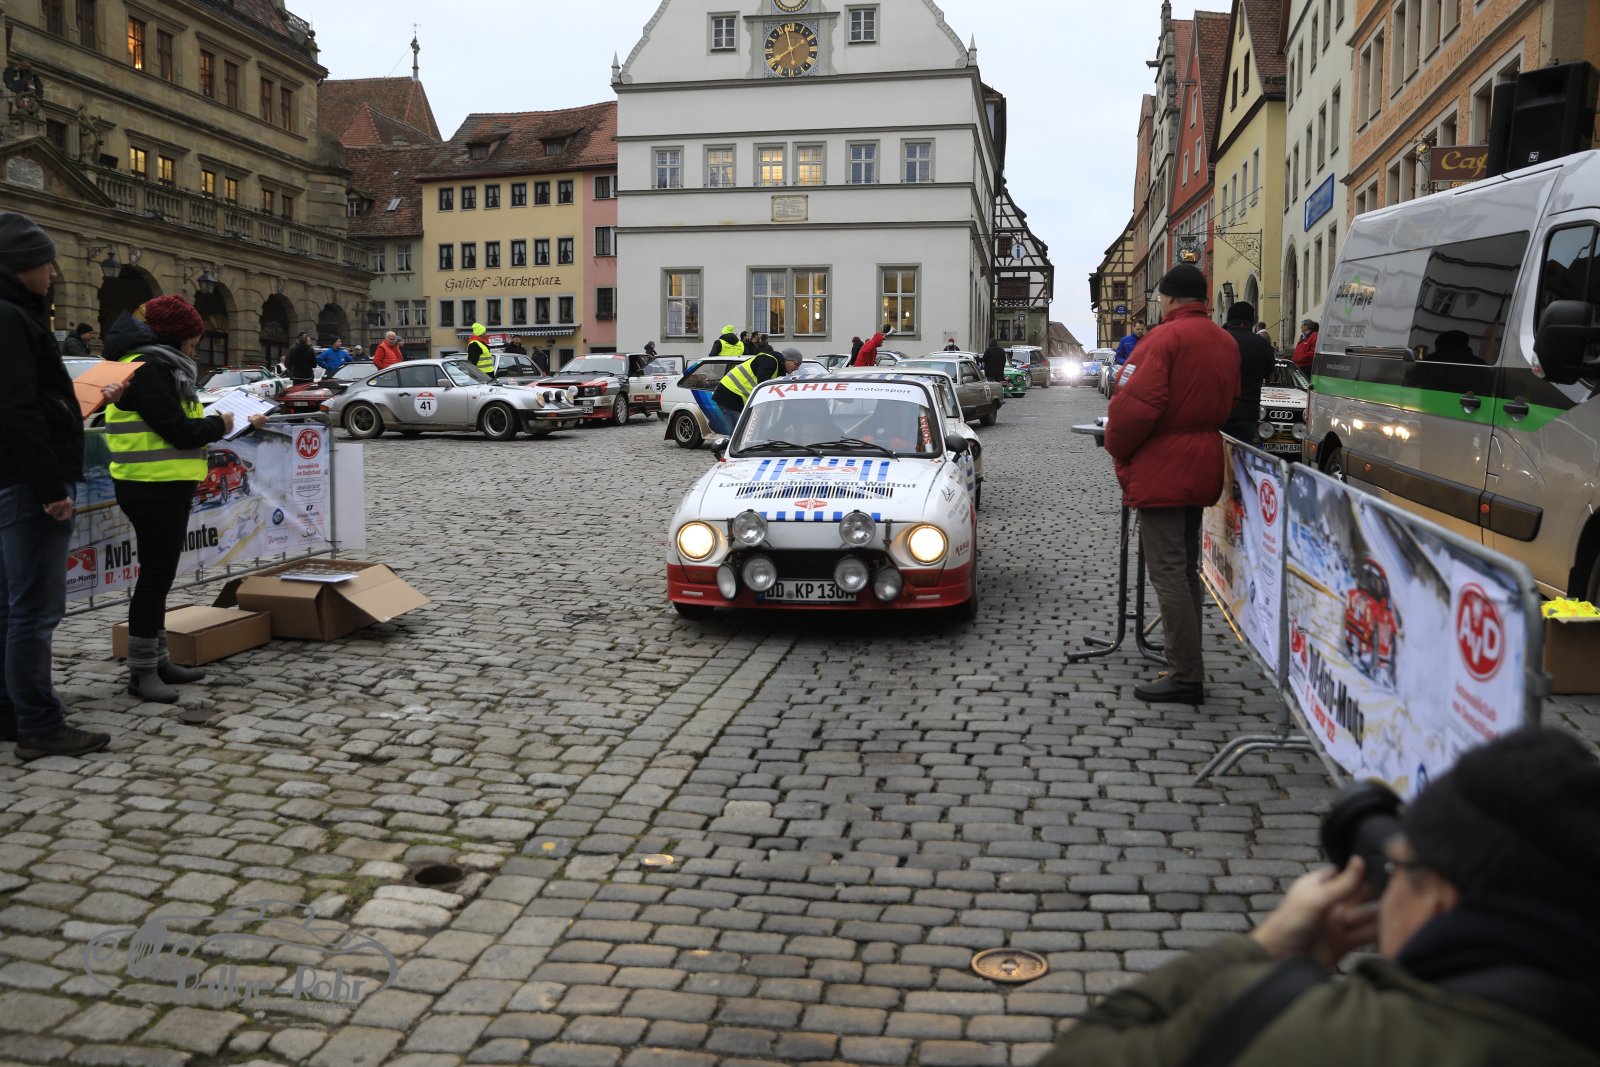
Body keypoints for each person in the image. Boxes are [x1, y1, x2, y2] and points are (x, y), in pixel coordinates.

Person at [1035, 726, 1600, 1067]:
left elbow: (1080, 1055)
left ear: (1439, 901)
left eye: (1400, 868)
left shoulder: (1303, 1030)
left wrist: (1261, 947)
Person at [104, 296, 268, 704]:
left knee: (159, 578)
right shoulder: (149, 369)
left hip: (160, 484)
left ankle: (158, 661)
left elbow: (176, 424)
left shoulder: (158, 367)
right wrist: (219, 423)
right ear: (174, 336)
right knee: (154, 579)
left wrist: (229, 425)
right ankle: (143, 671)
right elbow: (179, 430)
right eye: (193, 342)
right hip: (151, 486)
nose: (195, 349)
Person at [0, 212, 115, 760]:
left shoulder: (13, 314)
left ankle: (10, 711)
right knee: (35, 611)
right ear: (22, 266)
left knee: (11, 606)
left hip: (14, 477)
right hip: (27, 482)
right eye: (45, 262)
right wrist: (51, 488)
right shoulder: (10, 317)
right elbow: (17, 410)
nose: (52, 272)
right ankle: (41, 725)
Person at [1106, 263, 1239, 706]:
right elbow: (1231, 399)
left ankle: (1185, 673)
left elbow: (1134, 408)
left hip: (1165, 466)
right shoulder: (1224, 340)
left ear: (1167, 298)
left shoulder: (1162, 339)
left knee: (1167, 572)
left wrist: (1117, 448)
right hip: (1203, 460)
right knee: (1185, 570)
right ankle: (1185, 662)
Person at [1222, 300, 1275, 445]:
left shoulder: (1218, 340)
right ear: (1252, 321)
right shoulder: (1262, 344)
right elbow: (1270, 373)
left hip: (1220, 409)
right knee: (1244, 453)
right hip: (1248, 410)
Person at [711, 346, 801, 428]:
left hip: (736, 397)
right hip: (728, 395)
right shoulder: (769, 360)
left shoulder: (777, 368)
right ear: (788, 359)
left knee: (744, 430)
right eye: (797, 364)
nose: (797, 368)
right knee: (739, 431)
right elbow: (764, 383)